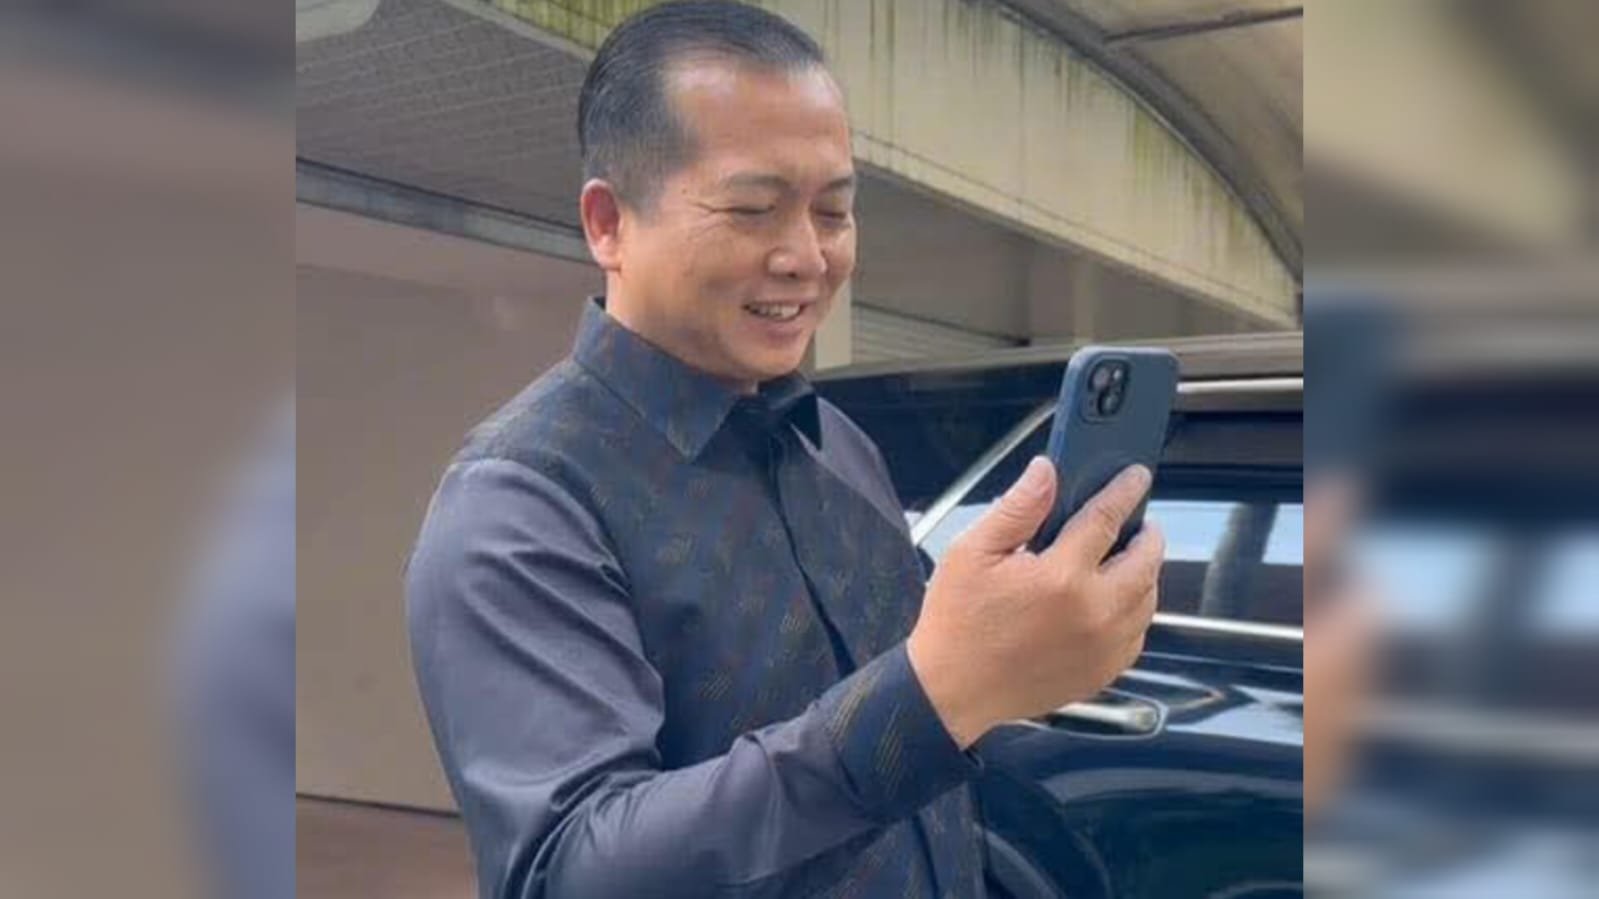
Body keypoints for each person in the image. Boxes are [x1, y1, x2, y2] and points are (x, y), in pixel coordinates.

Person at [404, 3, 1163, 897]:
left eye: (833, 211)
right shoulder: (523, 501)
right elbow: (570, 869)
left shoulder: (838, 444)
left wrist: (1010, 655)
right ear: (608, 223)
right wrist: (932, 696)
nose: (806, 256)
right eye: (751, 209)